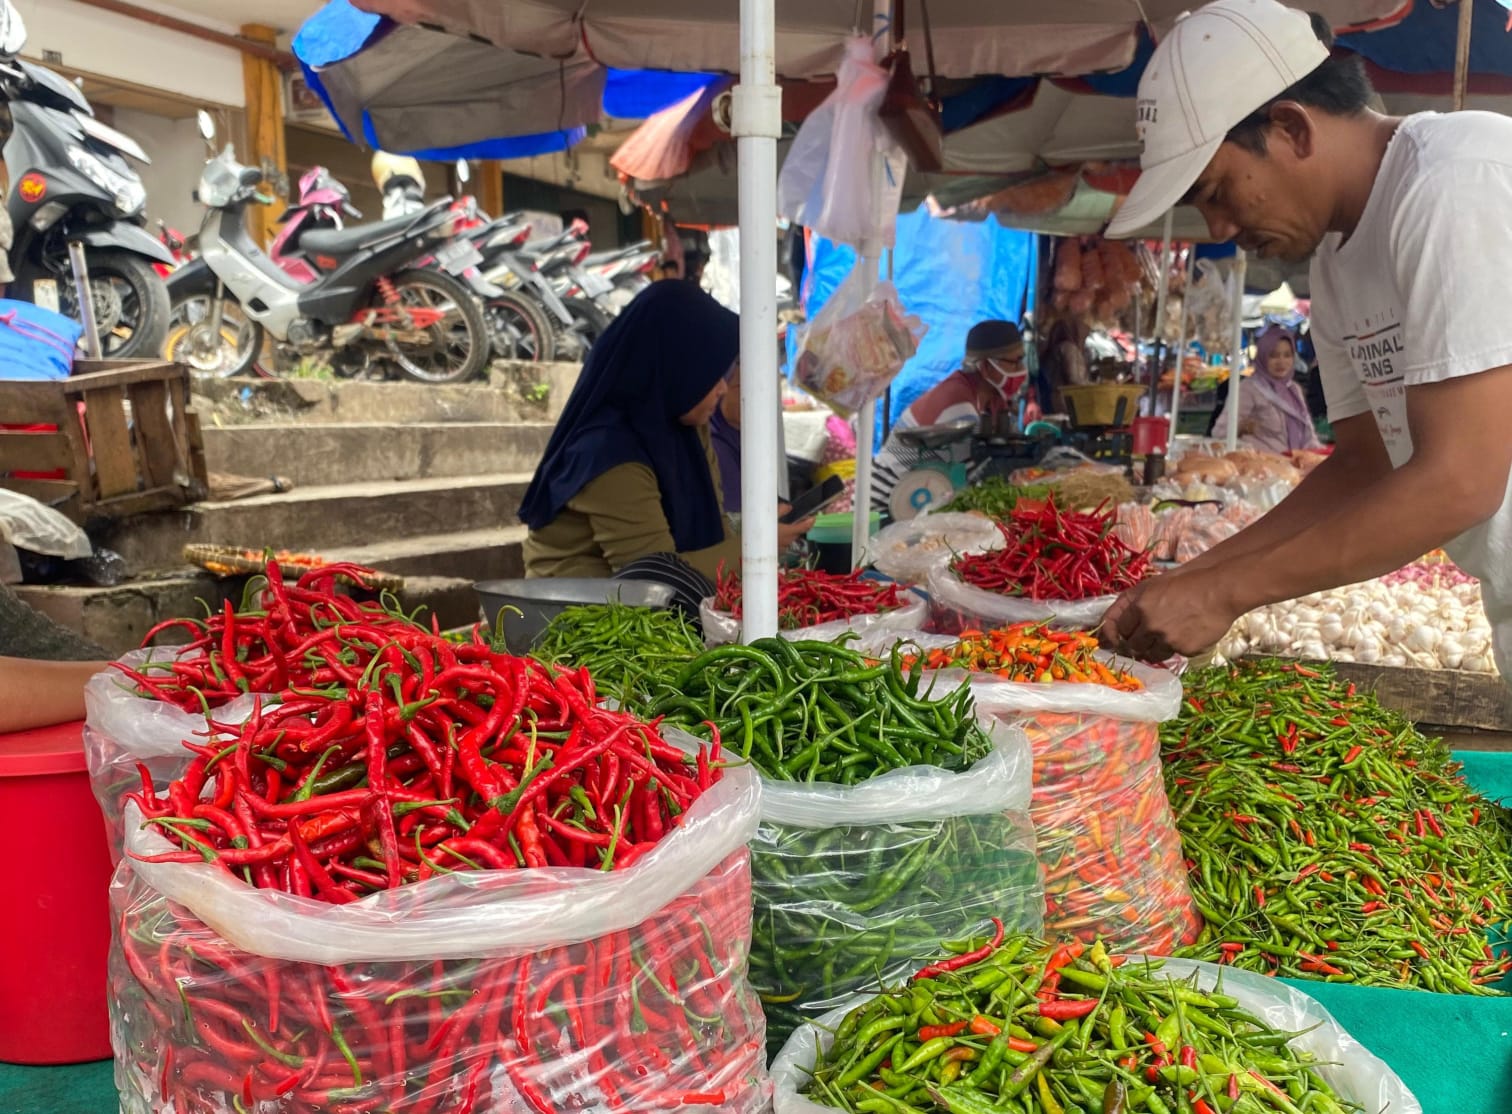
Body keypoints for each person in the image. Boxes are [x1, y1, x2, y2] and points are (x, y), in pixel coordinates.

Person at [1102, 0, 1512, 672]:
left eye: (1216, 191)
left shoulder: (1453, 182)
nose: (1219, 229)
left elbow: (1461, 481)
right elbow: (1364, 464)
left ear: (1291, 128)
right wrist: (1195, 577)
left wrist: (1227, 592)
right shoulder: (1336, 261)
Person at [519, 282, 810, 580]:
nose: (723, 388)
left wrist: (757, 531)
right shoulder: (608, 456)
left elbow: (715, 525)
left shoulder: (688, 428)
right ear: (676, 368)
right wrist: (756, 548)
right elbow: (655, 578)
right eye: (710, 374)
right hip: (571, 603)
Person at [870, 320, 1029, 512]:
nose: (1021, 370)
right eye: (1015, 362)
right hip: (888, 505)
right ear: (986, 366)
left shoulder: (992, 399)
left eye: (1022, 360)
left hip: (925, 497)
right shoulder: (958, 405)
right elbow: (975, 480)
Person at [1209, 324, 1322, 452]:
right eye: (1273, 355)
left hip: (1293, 462)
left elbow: (1308, 433)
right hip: (1259, 462)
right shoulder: (1248, 389)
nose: (1281, 362)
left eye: (1287, 355)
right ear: (1262, 356)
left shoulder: (1294, 390)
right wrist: (1241, 427)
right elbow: (1219, 432)